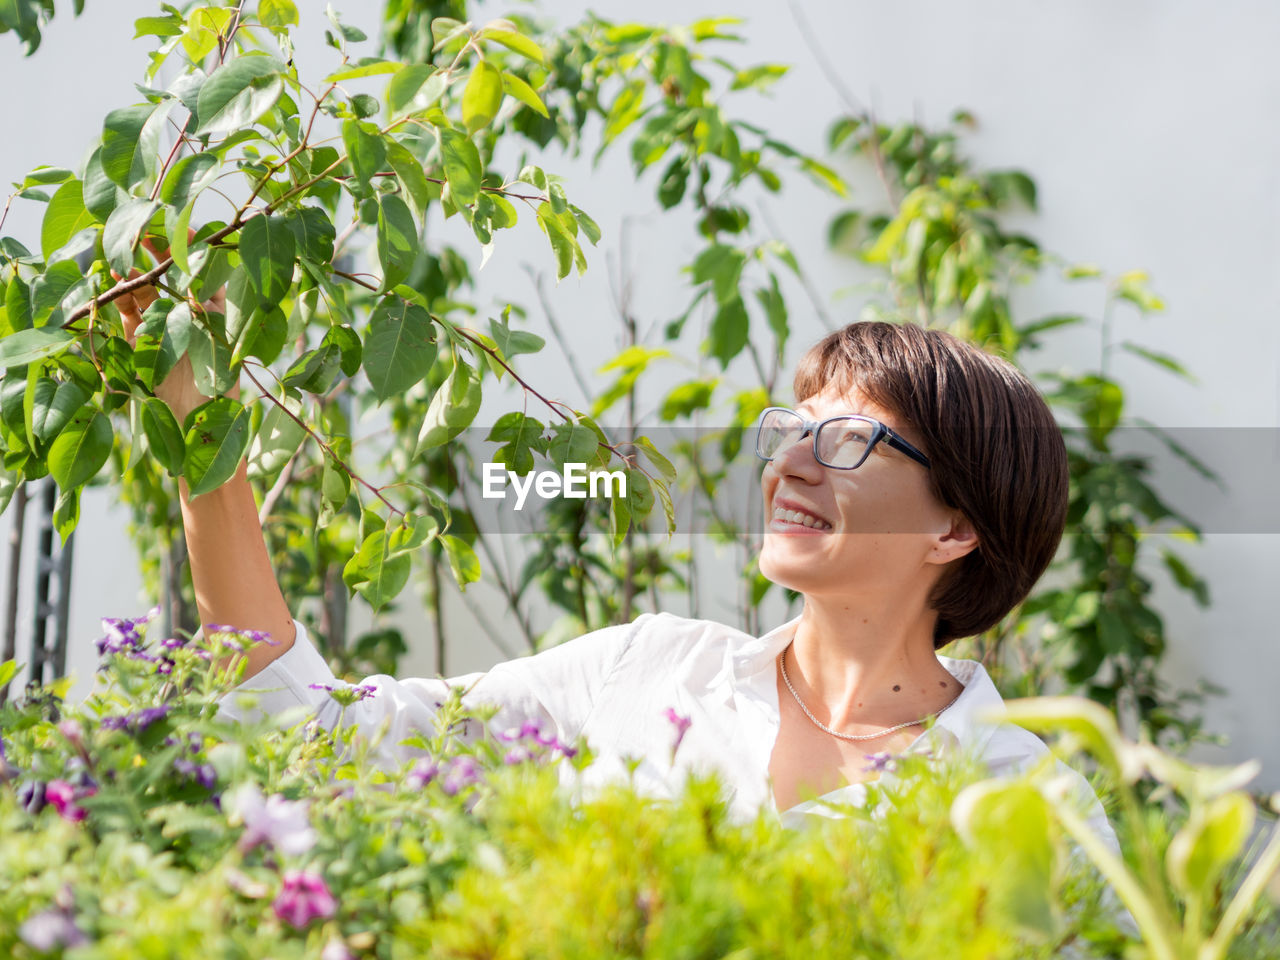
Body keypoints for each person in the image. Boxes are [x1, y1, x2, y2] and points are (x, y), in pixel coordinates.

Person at [119, 274, 1116, 846]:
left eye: (848, 441)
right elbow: (310, 732)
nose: (789, 462)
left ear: (953, 529)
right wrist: (198, 426)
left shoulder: (1022, 799)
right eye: (787, 429)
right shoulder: (644, 671)